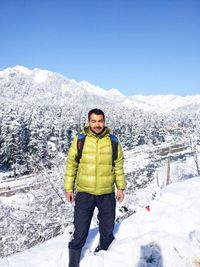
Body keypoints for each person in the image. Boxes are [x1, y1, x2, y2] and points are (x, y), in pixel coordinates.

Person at [64, 108, 126, 267]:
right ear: (89, 122)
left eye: (100, 121)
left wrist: (120, 187)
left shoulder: (113, 141)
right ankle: (73, 263)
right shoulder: (80, 140)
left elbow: (118, 166)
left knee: (107, 230)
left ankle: (103, 258)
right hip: (85, 193)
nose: (97, 124)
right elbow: (72, 165)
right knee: (79, 232)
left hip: (106, 194)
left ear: (104, 122)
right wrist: (69, 188)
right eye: (94, 121)